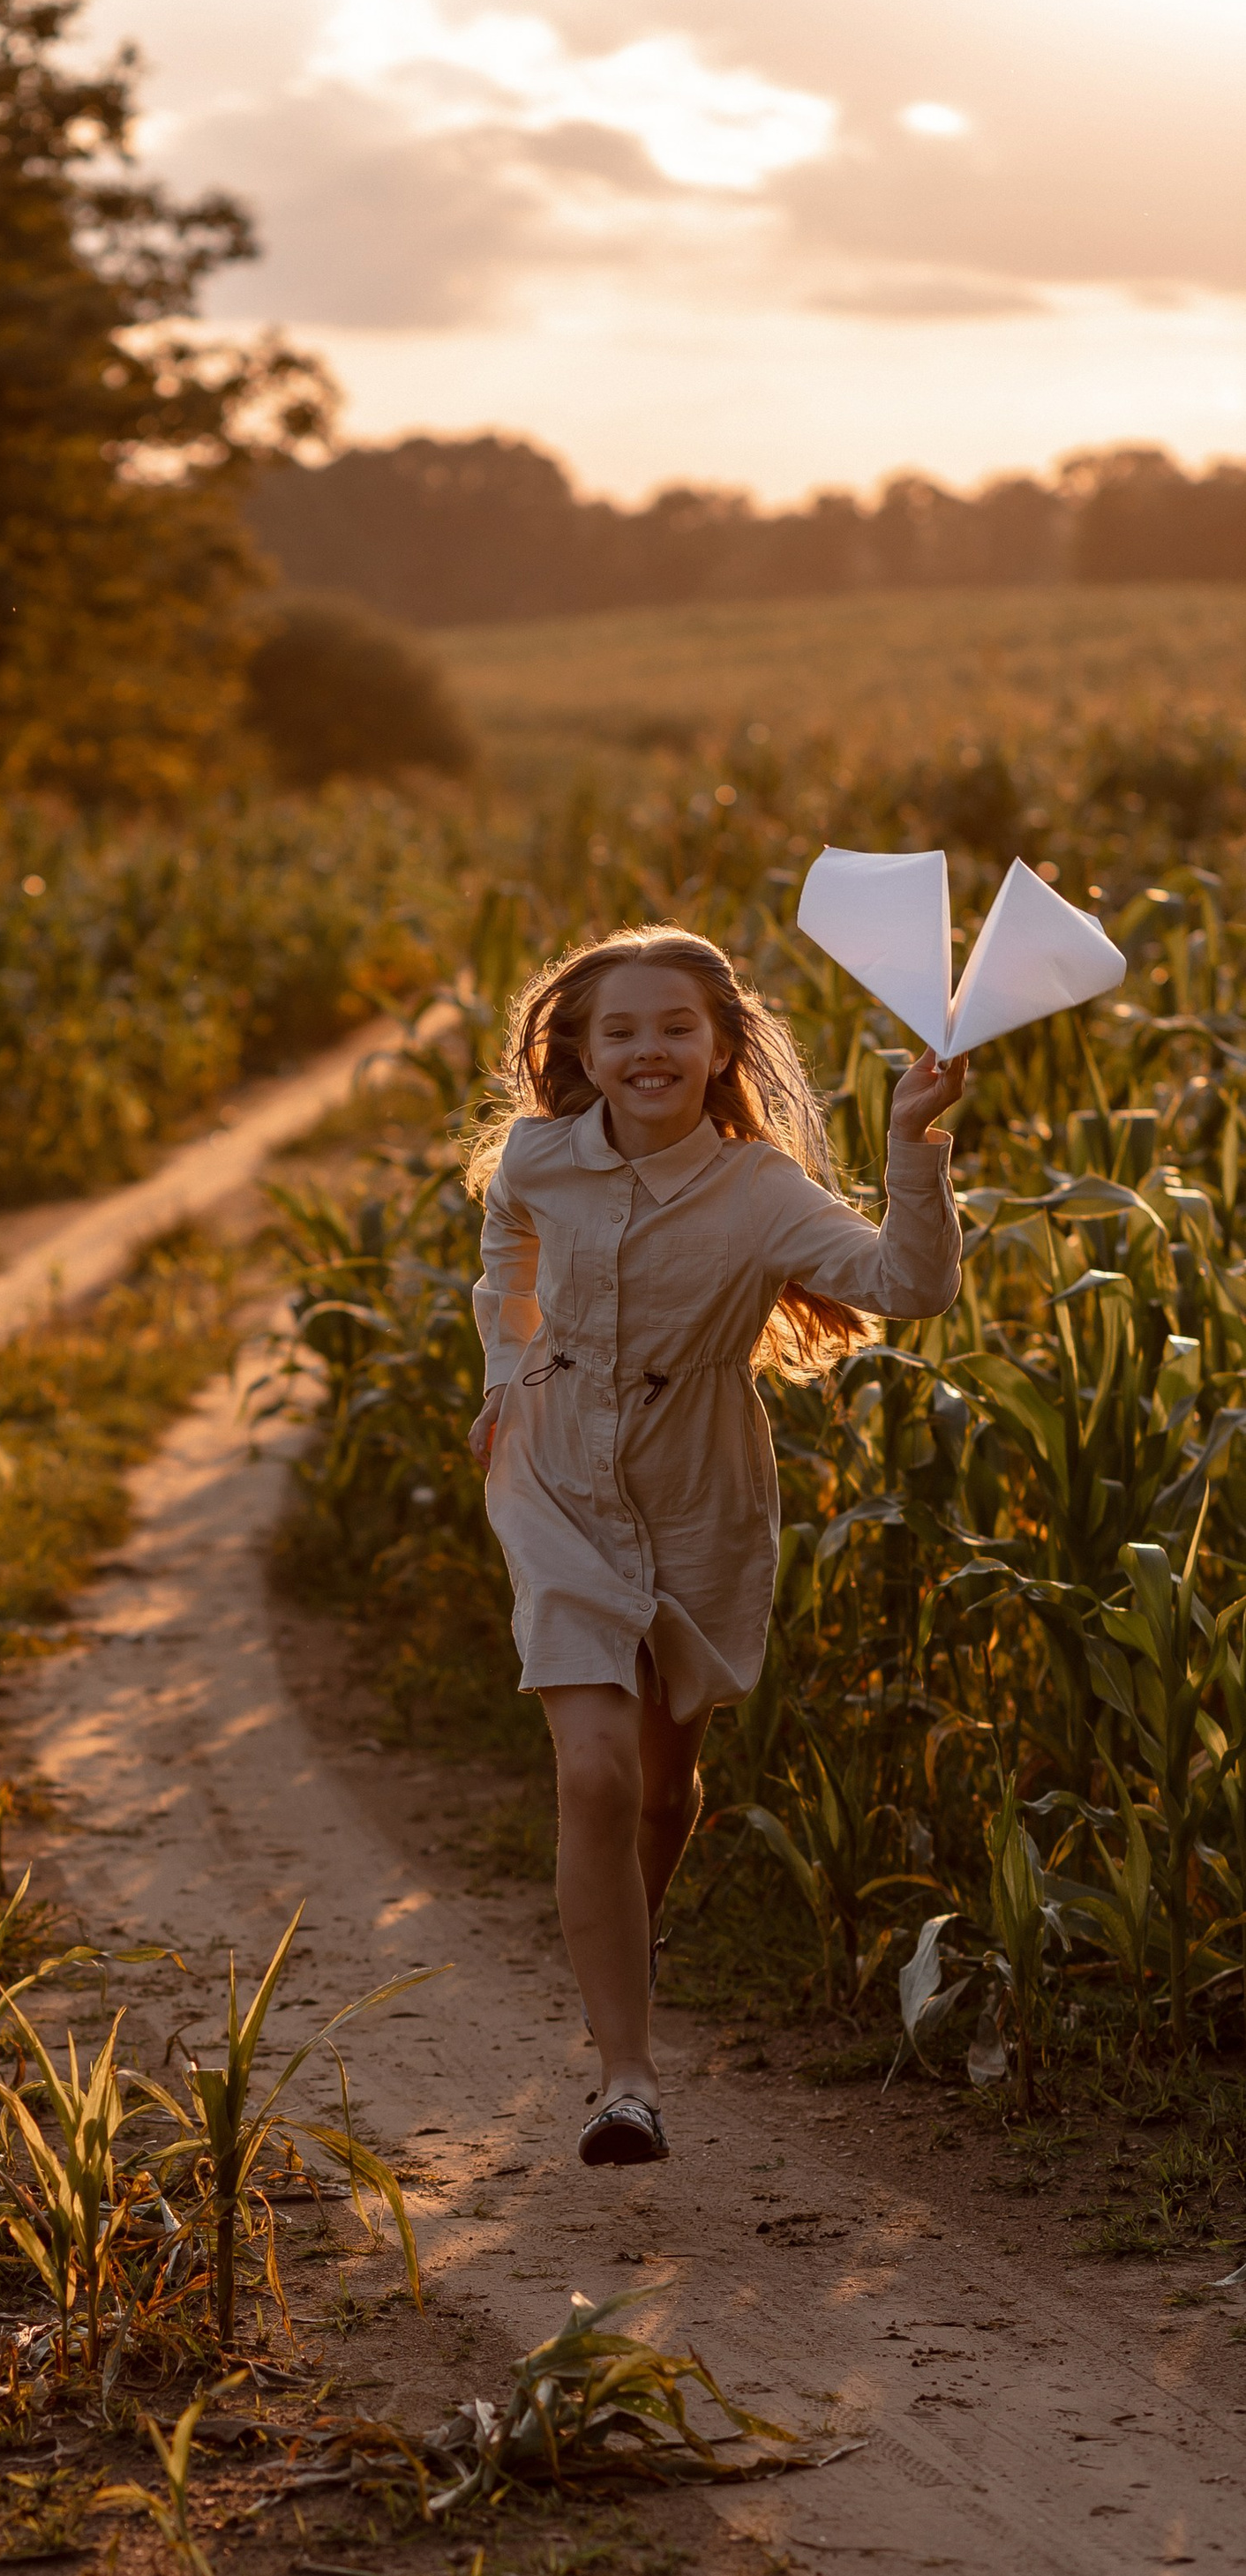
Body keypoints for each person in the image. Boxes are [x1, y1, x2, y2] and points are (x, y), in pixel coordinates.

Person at [464, 927, 965, 2169]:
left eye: (675, 1028)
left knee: (661, 1784)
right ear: (577, 1048)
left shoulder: (762, 1193)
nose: (647, 1050)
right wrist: (502, 1374)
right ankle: (627, 2080)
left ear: (723, 1047)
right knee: (592, 1772)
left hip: (699, 1492)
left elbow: (908, 1285)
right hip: (556, 1476)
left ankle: (633, 1935)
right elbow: (502, 1258)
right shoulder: (538, 1155)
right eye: (620, 1030)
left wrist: (913, 1147)